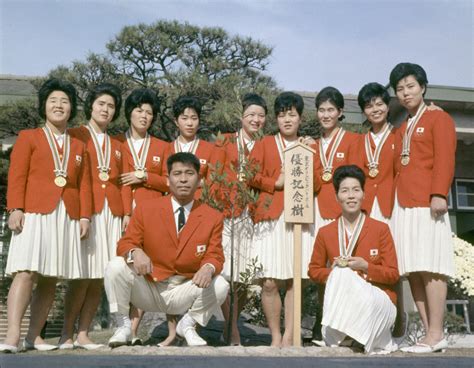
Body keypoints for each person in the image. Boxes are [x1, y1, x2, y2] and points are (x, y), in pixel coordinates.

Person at [0, 79, 91, 353]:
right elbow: (17, 176)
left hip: (67, 214)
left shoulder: (78, 144)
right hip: (34, 212)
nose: (59, 106)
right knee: (26, 271)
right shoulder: (29, 136)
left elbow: (84, 183)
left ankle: (34, 336)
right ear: (44, 106)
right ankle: (12, 336)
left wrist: (85, 216)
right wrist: (15, 207)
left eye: (64, 101)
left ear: (71, 108)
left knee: (51, 275)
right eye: (53, 101)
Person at [104, 152, 229, 347]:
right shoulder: (146, 208)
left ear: (199, 180)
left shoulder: (212, 216)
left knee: (221, 283)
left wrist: (208, 267)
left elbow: (215, 254)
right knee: (115, 265)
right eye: (177, 173)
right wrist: (136, 252)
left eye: (189, 173)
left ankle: (188, 325)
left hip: (184, 290)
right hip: (149, 287)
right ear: (168, 180)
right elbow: (125, 243)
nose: (183, 179)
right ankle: (123, 325)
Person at [389, 63, 456, 353]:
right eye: (400, 89)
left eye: (410, 86)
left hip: (429, 202)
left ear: (423, 87)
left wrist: (439, 193)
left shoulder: (438, 118)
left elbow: (445, 158)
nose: (405, 93)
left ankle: (437, 331)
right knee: (413, 268)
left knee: (432, 267)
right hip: (403, 204)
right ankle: (430, 333)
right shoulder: (402, 126)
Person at [249, 91, 322, 347]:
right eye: (281, 115)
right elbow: (250, 176)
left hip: (298, 218)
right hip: (269, 217)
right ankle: (275, 335)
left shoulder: (308, 145)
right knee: (269, 281)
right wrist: (274, 183)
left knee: (295, 280)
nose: (287, 120)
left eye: (292, 114)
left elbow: (315, 184)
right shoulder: (265, 143)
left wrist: (311, 153)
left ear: (301, 118)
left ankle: (290, 336)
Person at [308, 165, 399, 354]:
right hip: (345, 301)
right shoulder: (325, 232)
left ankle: (348, 338)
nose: (351, 195)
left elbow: (393, 274)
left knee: (344, 275)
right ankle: (348, 338)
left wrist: (366, 267)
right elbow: (314, 270)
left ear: (364, 194)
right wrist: (334, 273)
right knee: (341, 274)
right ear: (336, 197)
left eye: (356, 190)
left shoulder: (380, 229)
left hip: (377, 301)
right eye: (345, 191)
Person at [59, 83, 124, 350]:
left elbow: (122, 180)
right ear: (91, 106)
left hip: (112, 212)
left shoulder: (117, 142)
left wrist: (127, 213)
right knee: (81, 274)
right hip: (86, 211)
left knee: (101, 275)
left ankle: (84, 333)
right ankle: (66, 333)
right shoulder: (75, 134)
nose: (106, 110)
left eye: (111, 106)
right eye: (101, 104)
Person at [116, 88, 169, 346]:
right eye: (139, 110)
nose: (144, 116)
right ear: (129, 113)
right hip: (120, 216)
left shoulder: (162, 146)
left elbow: (171, 182)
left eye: (149, 112)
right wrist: (126, 212)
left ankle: (133, 330)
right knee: (119, 271)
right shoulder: (117, 144)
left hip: (153, 218)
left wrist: (145, 176)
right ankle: (121, 326)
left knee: (143, 271)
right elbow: (119, 182)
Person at [216, 93, 267, 345]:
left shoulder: (266, 144)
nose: (256, 120)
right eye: (251, 115)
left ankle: (230, 323)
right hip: (228, 214)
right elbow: (214, 177)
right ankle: (232, 330)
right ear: (241, 117)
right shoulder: (225, 141)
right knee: (226, 275)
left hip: (254, 217)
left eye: (260, 116)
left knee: (248, 277)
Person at [312, 86, 359, 341]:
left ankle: (349, 329)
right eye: (322, 109)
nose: (326, 114)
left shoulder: (353, 140)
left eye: (331, 109)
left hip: (344, 214)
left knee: (347, 272)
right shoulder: (312, 143)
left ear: (340, 112)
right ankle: (325, 325)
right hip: (319, 212)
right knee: (323, 273)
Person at [163, 95, 225, 200]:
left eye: (194, 118)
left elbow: (214, 181)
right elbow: (164, 180)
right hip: (171, 203)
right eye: (184, 118)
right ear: (176, 122)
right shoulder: (167, 149)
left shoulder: (210, 149)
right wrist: (199, 182)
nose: (190, 123)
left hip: (200, 203)